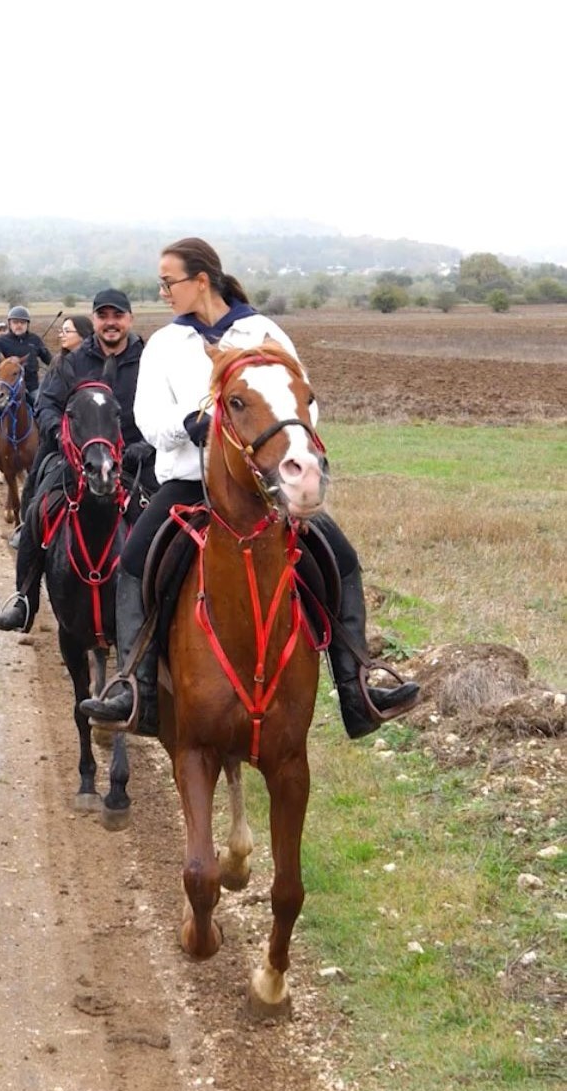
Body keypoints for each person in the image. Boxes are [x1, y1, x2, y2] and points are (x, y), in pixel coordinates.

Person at [79, 238, 419, 738]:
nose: (162, 291)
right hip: (191, 485)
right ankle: (137, 692)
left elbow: (304, 402)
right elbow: (148, 421)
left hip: (263, 487)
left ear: (200, 281)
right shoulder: (165, 345)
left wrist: (282, 450)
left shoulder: (263, 331)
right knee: (133, 561)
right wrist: (192, 423)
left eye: (168, 282)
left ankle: (358, 688)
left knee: (339, 557)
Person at [0, 289, 152, 632]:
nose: (110, 323)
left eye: (117, 316)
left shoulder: (149, 360)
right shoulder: (72, 361)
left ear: (129, 319)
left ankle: (166, 610)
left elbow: (166, 410)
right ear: (94, 320)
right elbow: (46, 404)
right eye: (103, 316)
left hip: (136, 458)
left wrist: (145, 446)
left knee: (169, 525)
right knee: (37, 512)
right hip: (78, 457)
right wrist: (61, 437)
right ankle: (25, 600)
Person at [0, 306, 52, 406]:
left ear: (27, 324)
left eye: (23, 322)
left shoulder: (35, 340)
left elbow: (49, 360)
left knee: (44, 409)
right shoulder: (0, 341)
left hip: (31, 386)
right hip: (6, 387)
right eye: (15, 322)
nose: (19, 325)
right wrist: (8, 362)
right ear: (10, 324)